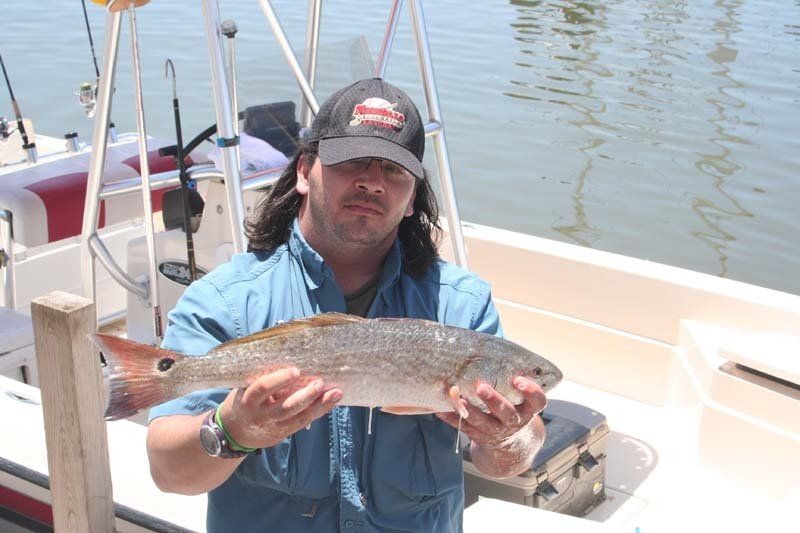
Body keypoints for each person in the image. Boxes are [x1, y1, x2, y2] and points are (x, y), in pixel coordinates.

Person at [146, 78, 547, 532]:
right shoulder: (225, 301)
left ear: (412, 197)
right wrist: (232, 429)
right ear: (303, 172)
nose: (372, 183)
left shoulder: (462, 307)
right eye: (352, 161)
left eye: (394, 171)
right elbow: (168, 472)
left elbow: (509, 459)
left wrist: (508, 434)